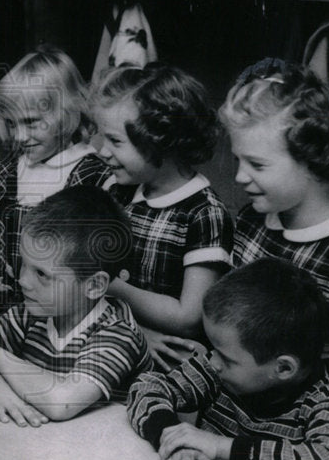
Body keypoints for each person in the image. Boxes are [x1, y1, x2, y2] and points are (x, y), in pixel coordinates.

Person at [127, 258, 329, 460]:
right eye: (212, 348)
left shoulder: (326, 405)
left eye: (227, 359)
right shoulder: (215, 370)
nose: (213, 361)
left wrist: (219, 447)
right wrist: (171, 436)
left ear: (283, 369)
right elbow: (146, 387)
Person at [219, 59, 329, 385]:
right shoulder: (251, 223)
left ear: (313, 160)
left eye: (257, 165)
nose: (239, 177)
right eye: (239, 160)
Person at [0, 186, 151, 425]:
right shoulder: (31, 312)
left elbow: (61, 403)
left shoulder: (118, 333)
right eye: (23, 263)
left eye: (41, 273)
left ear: (94, 286)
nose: (23, 281)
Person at [89, 63, 234, 364]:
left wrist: (110, 284)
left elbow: (188, 318)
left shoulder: (204, 214)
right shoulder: (116, 191)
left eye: (115, 141)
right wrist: (136, 331)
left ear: (161, 142)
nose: (102, 151)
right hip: (109, 338)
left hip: (167, 364)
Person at [0, 45, 113, 305]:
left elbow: (103, 266)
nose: (19, 136)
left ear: (66, 112)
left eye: (30, 122)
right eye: (10, 123)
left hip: (65, 313)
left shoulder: (93, 177)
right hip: (9, 310)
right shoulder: (4, 175)